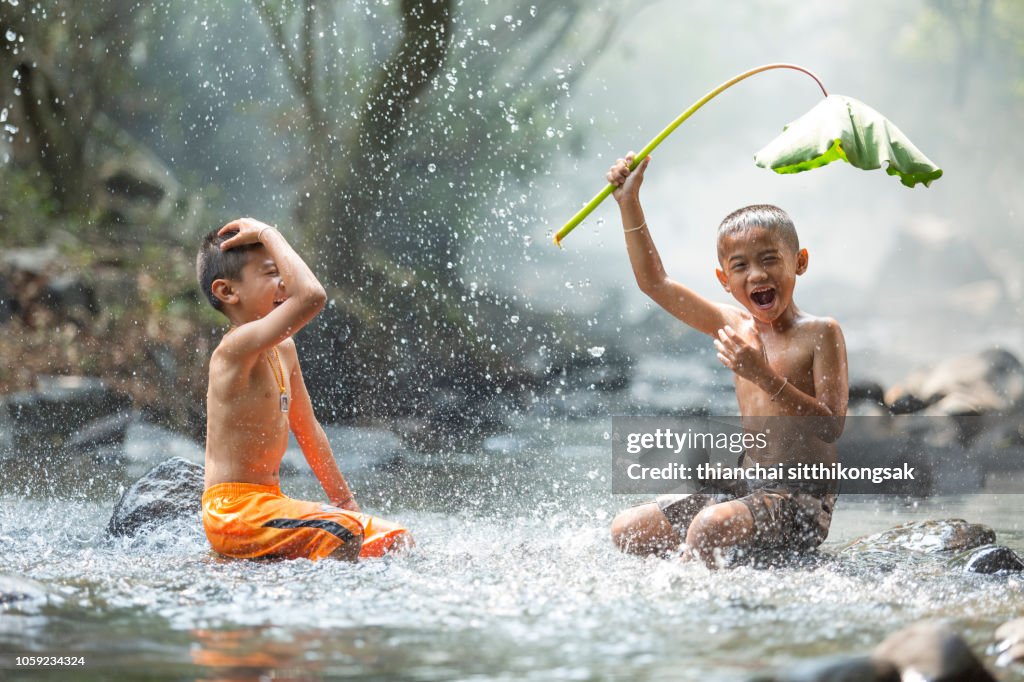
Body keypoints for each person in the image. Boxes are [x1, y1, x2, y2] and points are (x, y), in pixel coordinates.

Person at [606, 152, 848, 567]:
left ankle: (696, 597)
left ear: (800, 262)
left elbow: (831, 426)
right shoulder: (732, 325)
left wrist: (764, 375)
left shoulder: (821, 332)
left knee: (708, 527)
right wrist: (629, 202)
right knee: (626, 530)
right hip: (747, 486)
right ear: (724, 280)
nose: (757, 275)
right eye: (741, 266)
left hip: (801, 501)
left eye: (770, 259)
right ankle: (711, 560)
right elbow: (655, 283)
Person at [196, 217, 411, 561]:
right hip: (233, 511)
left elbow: (307, 428)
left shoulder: (284, 348)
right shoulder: (234, 349)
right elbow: (311, 295)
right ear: (227, 291)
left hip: (270, 503)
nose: (284, 285)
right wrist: (269, 233)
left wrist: (344, 502)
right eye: (271, 274)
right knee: (346, 535)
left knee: (395, 540)